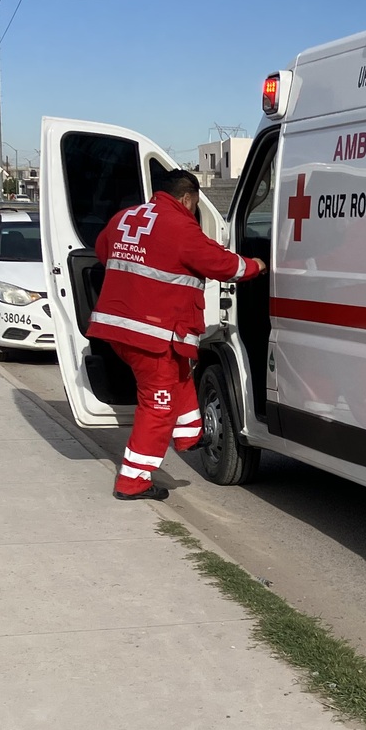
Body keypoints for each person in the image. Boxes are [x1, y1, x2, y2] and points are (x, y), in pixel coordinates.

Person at [88, 170, 261, 500]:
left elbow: (102, 252)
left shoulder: (125, 217)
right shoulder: (181, 227)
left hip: (117, 328)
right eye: (195, 205)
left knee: (180, 371)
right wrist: (255, 266)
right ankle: (133, 481)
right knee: (157, 404)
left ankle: (188, 434)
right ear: (187, 199)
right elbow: (224, 265)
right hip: (151, 334)